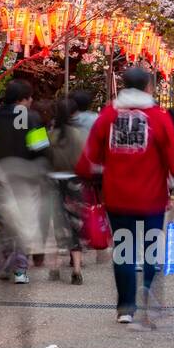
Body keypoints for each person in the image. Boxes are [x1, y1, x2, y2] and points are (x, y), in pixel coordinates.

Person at [75, 67, 174, 326]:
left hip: (118, 195)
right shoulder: (158, 116)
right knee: (150, 249)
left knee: (123, 250)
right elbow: (172, 153)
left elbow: (90, 154)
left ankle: (125, 307)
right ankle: (148, 301)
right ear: (148, 86)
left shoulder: (109, 115)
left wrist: (90, 170)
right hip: (151, 196)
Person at [0, 78, 52, 285]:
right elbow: (41, 148)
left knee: (5, 222)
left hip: (0, 175)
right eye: (30, 97)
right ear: (23, 99)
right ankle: (21, 269)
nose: (31, 101)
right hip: (26, 176)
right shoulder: (32, 118)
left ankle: (6, 264)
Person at [49, 90, 97, 285]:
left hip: (53, 181)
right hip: (74, 181)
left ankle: (54, 266)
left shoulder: (49, 134)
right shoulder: (79, 135)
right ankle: (76, 268)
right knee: (75, 224)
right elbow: (86, 159)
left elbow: (41, 154)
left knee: (58, 224)